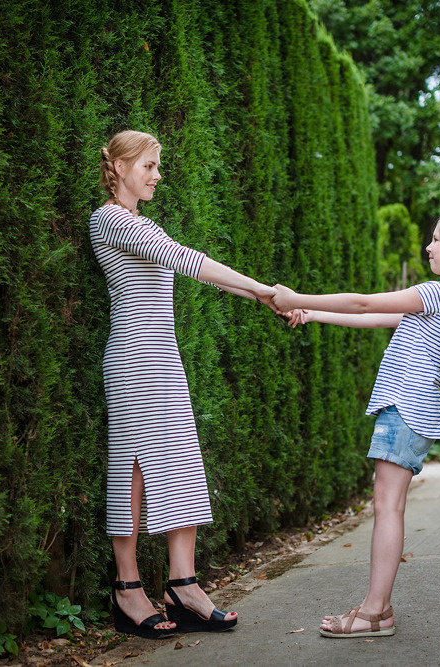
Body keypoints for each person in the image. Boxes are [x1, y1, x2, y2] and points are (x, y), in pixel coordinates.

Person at [271, 208, 440, 639]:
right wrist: (312, 314)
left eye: (436, 239)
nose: (429, 247)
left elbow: (365, 301)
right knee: (387, 505)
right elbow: (374, 318)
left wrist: (298, 297)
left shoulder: (439, 294)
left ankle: (375, 611)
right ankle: (378, 607)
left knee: (388, 507)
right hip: (412, 409)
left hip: (407, 409)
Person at [90, 130, 277, 638]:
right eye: (149, 165)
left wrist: (261, 298)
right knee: (131, 470)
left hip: (163, 360)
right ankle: (127, 590)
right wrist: (262, 287)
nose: (156, 175)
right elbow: (187, 261)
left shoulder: (141, 224)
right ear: (121, 167)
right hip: (132, 360)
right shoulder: (108, 219)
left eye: (158, 166)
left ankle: (182, 586)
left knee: (180, 463)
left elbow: (202, 273)